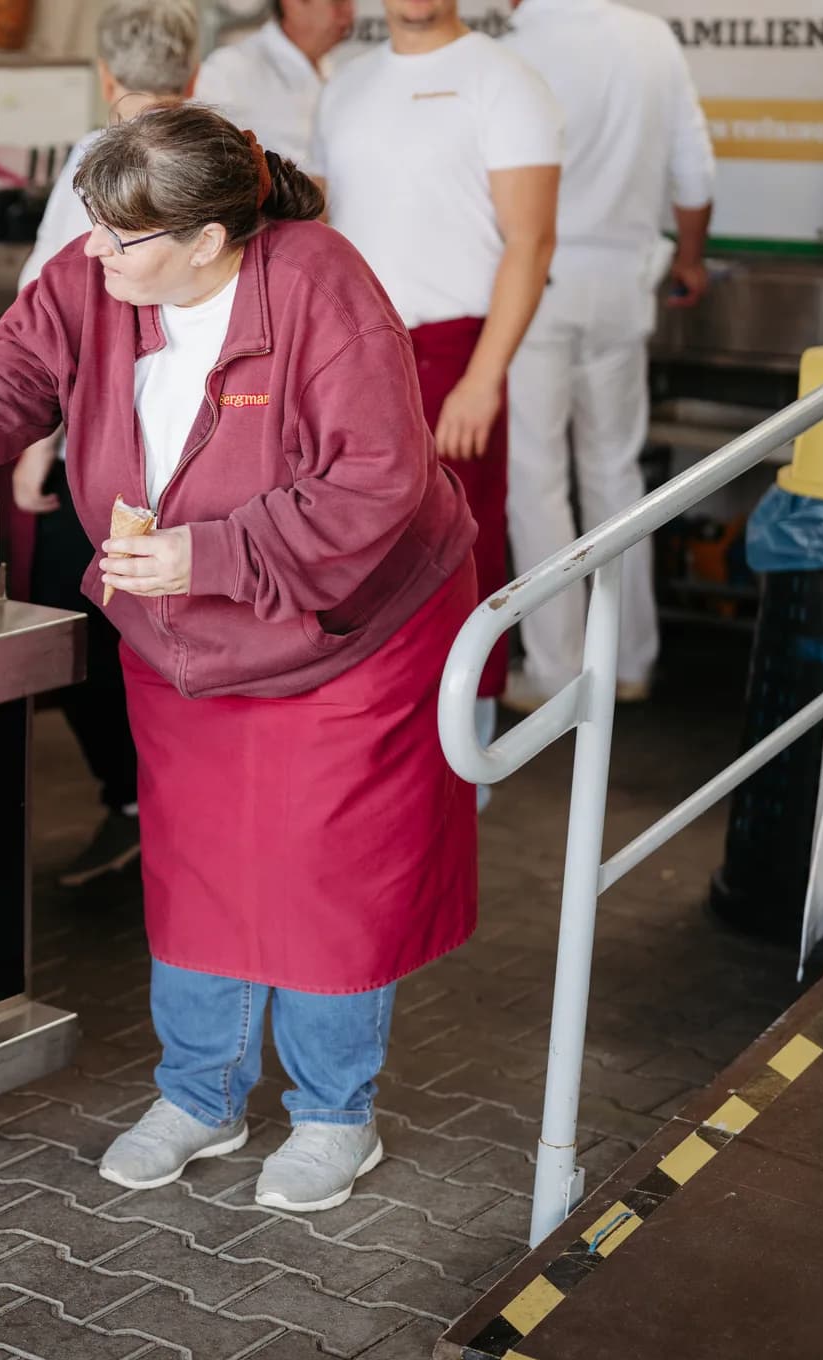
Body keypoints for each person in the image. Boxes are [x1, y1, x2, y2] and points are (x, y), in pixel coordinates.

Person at [0, 105, 480, 1213]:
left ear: (209, 239)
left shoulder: (319, 285)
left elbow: (373, 482)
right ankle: (200, 1094)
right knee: (195, 863)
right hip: (180, 627)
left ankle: (335, 1114)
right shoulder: (95, 279)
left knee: (322, 876)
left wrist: (209, 552)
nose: (90, 249)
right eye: (90, 222)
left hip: (347, 632)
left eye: (119, 235)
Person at [310, 0, 560, 798]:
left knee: (460, 554)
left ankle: (464, 769)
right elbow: (322, 225)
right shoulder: (345, 85)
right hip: (352, 350)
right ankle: (370, 747)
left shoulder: (503, 80)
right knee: (351, 552)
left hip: (453, 351)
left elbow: (532, 242)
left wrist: (484, 377)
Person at [12, 0, 199, 887]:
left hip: (107, 443)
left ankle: (140, 801)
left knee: (75, 608)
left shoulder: (99, 159)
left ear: (105, 76)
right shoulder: (223, 154)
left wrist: (34, 447)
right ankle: (178, 802)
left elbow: (50, 317)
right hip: (200, 442)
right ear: (193, 75)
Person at [501, 0, 716, 709]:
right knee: (616, 473)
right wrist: (690, 259)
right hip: (625, 284)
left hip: (534, 286)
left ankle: (557, 671)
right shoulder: (652, 39)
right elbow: (696, 172)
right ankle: (629, 660)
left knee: (537, 479)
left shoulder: (515, 47)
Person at [194, 0, 353, 163]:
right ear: (292, 4)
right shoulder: (229, 69)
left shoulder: (340, 74)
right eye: (338, 2)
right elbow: (194, 151)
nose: (349, 12)